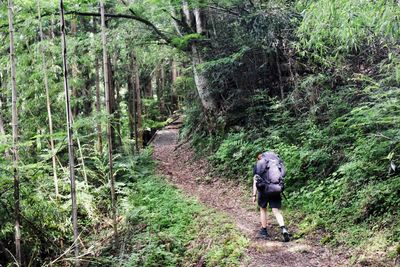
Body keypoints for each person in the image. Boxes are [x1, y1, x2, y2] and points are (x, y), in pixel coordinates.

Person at [252, 152, 290, 242]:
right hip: (275, 189)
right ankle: (283, 228)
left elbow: (255, 180)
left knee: (263, 209)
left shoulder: (259, 165)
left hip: (263, 191)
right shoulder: (275, 163)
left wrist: (254, 195)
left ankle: (264, 231)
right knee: (276, 211)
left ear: (259, 159)